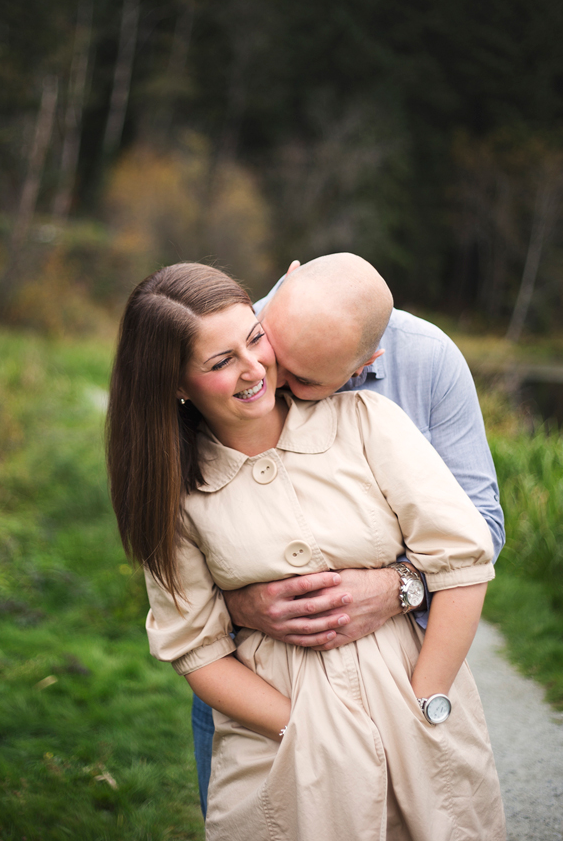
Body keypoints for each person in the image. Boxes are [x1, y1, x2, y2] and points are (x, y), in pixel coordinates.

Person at [106, 261, 505, 841]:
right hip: (275, 722)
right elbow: (194, 642)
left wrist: (427, 695)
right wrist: (304, 729)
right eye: (223, 362)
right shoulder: (175, 488)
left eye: (255, 343)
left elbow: (470, 547)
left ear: (363, 367)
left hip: (408, 701)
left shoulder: (379, 408)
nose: (264, 372)